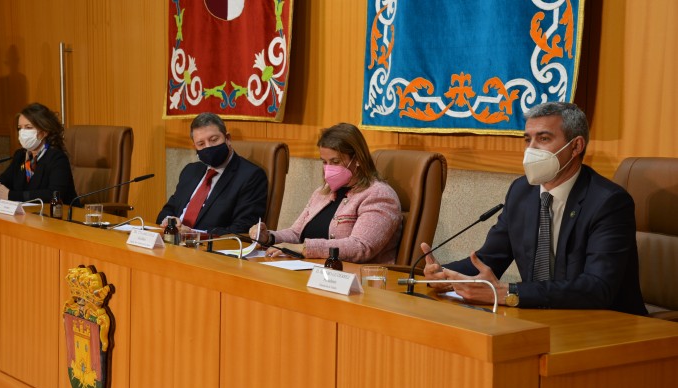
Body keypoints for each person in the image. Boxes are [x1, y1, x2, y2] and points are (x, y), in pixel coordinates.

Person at [421, 102, 647, 315]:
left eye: (544, 139)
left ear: (576, 146)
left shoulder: (608, 202)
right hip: (540, 318)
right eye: (527, 140)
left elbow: (597, 288)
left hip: (606, 326)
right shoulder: (522, 191)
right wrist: (444, 275)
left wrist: (511, 292)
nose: (531, 149)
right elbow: (490, 258)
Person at [250, 123, 402, 263]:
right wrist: (269, 237)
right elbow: (297, 234)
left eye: (335, 162)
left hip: (353, 280)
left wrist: (306, 248)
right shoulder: (322, 193)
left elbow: (360, 247)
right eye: (324, 162)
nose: (328, 168)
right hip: (310, 271)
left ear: (358, 160)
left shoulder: (378, 194)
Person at [156, 112, 267, 235]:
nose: (208, 147)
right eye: (201, 144)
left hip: (209, 248)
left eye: (214, 140)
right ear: (195, 147)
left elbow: (243, 229)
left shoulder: (251, 176)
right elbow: (167, 211)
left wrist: (195, 235)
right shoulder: (190, 171)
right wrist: (169, 222)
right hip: (173, 243)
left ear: (228, 138)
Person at [0, 103, 77, 203]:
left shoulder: (57, 158)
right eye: (20, 128)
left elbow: (54, 194)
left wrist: (10, 195)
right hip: (28, 215)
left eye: (28, 127)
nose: (22, 132)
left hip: (59, 216)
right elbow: (3, 181)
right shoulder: (20, 155)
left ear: (44, 132)